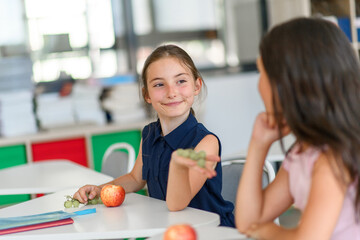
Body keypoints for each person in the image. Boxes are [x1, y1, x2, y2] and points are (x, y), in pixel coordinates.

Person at [73, 44, 235, 227]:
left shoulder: (206, 142)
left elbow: (177, 204)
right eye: (159, 84)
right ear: (147, 95)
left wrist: (177, 166)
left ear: (196, 86)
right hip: (169, 229)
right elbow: (136, 179)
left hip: (211, 232)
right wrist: (99, 190)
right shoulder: (149, 133)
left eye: (181, 81)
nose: (171, 92)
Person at [235, 17, 360, 239]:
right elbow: (247, 221)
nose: (258, 84)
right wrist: (258, 144)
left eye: (261, 73)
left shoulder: (332, 159)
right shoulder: (303, 152)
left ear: (288, 85)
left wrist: (269, 231)